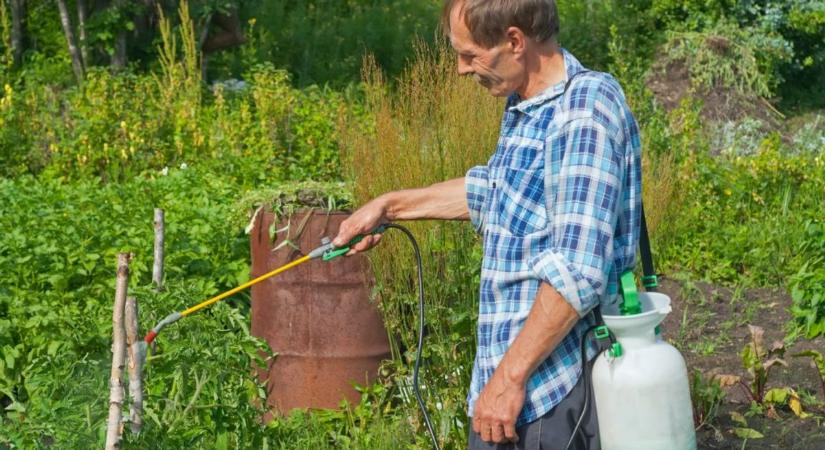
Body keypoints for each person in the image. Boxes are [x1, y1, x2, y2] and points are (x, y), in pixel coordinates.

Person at [333, 0, 641, 448]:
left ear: (515, 41)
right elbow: (496, 192)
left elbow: (578, 272)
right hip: (513, 385)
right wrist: (389, 206)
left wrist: (508, 380)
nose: (461, 69)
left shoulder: (582, 116)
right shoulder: (530, 104)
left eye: (470, 55)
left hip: (547, 394)